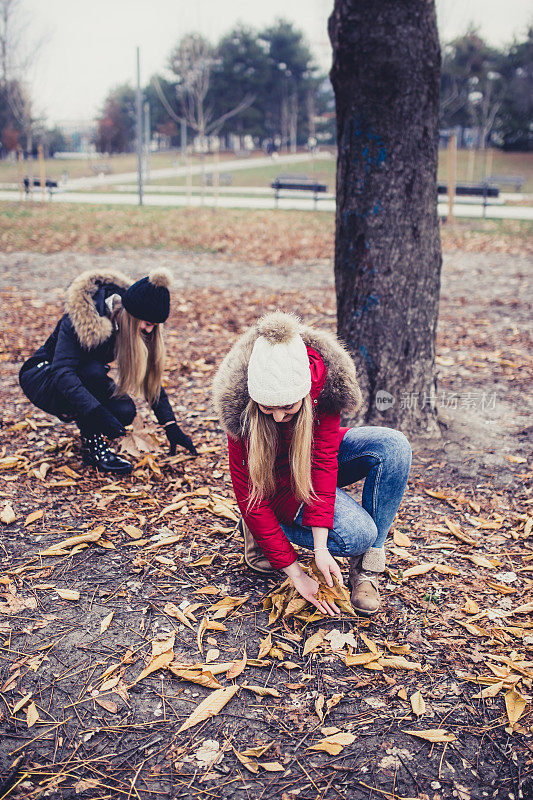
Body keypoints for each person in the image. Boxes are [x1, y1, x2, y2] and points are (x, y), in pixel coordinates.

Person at [213, 311, 411, 617]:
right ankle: (263, 530)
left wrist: (320, 548)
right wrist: (296, 572)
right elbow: (249, 496)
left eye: (288, 408)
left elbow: (323, 461)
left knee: (393, 445)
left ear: (306, 393)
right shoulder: (240, 411)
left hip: (309, 461)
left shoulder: (324, 385)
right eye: (268, 408)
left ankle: (367, 567)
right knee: (357, 533)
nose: (278, 417)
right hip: (278, 482)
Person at [19, 268, 197, 474]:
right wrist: (97, 413)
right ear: (133, 316)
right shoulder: (85, 317)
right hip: (42, 377)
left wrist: (171, 426)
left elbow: (150, 379)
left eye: (155, 326)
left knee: (124, 411)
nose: (150, 330)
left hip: (80, 376)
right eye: (148, 324)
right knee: (93, 372)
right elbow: (63, 371)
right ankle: (95, 447)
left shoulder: (138, 327)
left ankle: (89, 434)